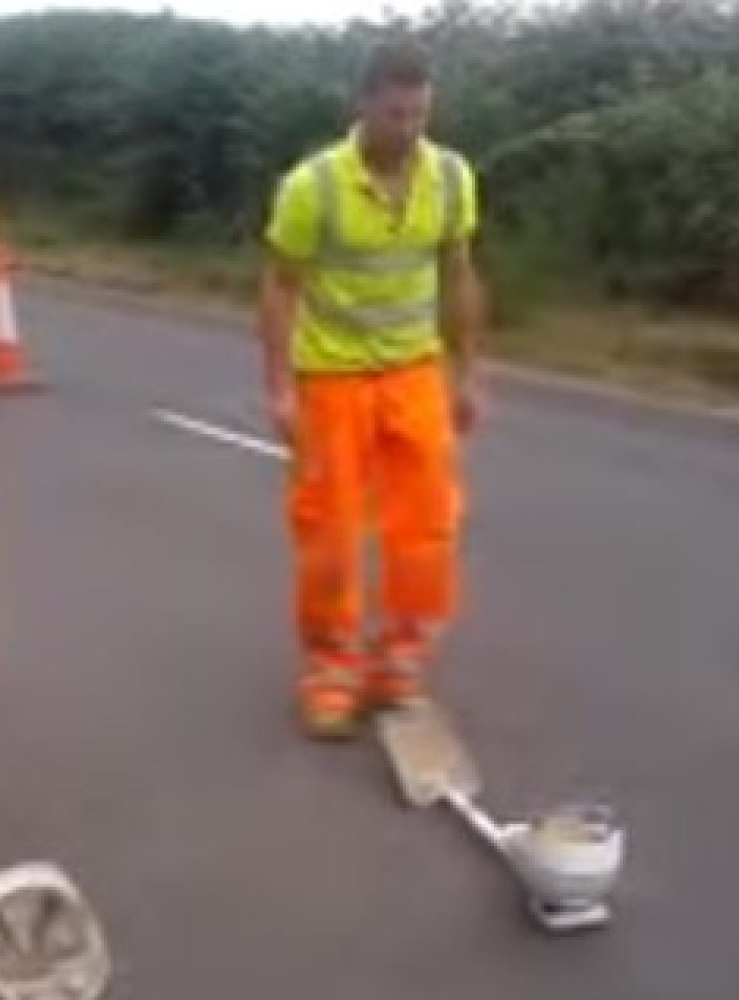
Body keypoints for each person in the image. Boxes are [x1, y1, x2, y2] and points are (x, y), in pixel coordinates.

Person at [258, 39, 487, 740]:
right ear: (363, 106)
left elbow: (459, 275)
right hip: (331, 377)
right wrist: (280, 390)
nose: (408, 129)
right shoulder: (312, 185)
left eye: (419, 114)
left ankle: (401, 661)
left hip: (414, 371)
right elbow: (280, 286)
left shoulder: (450, 177)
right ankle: (332, 670)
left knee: (427, 528)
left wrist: (467, 373)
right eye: (395, 115)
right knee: (330, 533)